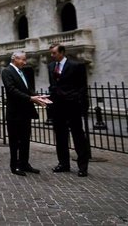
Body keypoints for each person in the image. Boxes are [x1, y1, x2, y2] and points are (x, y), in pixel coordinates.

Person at [1, 51, 51, 176]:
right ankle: (15, 166)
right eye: (22, 60)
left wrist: (38, 96)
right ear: (15, 59)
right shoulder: (6, 71)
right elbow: (12, 90)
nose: (25, 62)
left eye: (25, 59)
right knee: (15, 141)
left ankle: (24, 163)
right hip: (14, 113)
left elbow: (27, 90)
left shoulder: (22, 72)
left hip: (25, 112)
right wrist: (31, 99)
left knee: (25, 139)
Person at [48, 44, 91, 177]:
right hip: (57, 107)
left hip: (73, 106)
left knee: (78, 136)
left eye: (54, 53)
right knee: (60, 136)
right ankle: (63, 164)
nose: (52, 55)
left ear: (62, 52)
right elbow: (53, 85)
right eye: (51, 53)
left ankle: (83, 166)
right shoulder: (51, 66)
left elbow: (82, 87)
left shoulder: (76, 66)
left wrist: (82, 105)